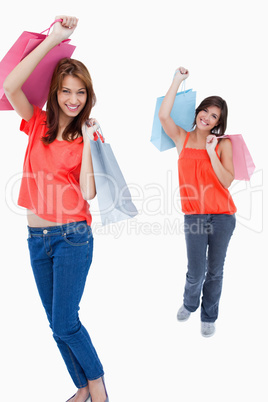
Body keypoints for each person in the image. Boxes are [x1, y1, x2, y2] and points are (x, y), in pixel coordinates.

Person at [4, 16, 108, 402]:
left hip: (72, 238)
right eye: (66, 91)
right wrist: (54, 40)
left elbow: (89, 191)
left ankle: (97, 388)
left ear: (88, 95)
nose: (73, 99)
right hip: (36, 238)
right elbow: (10, 84)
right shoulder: (37, 122)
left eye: (80, 92)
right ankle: (81, 386)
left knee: (66, 323)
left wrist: (86, 139)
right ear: (56, 92)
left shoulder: (88, 138)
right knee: (56, 324)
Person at [158, 67, 236, 337]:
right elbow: (163, 115)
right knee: (196, 271)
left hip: (223, 216)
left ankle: (209, 314)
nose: (207, 117)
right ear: (198, 111)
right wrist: (177, 81)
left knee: (215, 271)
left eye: (214, 116)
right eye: (205, 110)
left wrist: (213, 151)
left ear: (218, 122)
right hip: (194, 216)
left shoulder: (223, 144)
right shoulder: (183, 138)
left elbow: (226, 181)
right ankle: (190, 303)